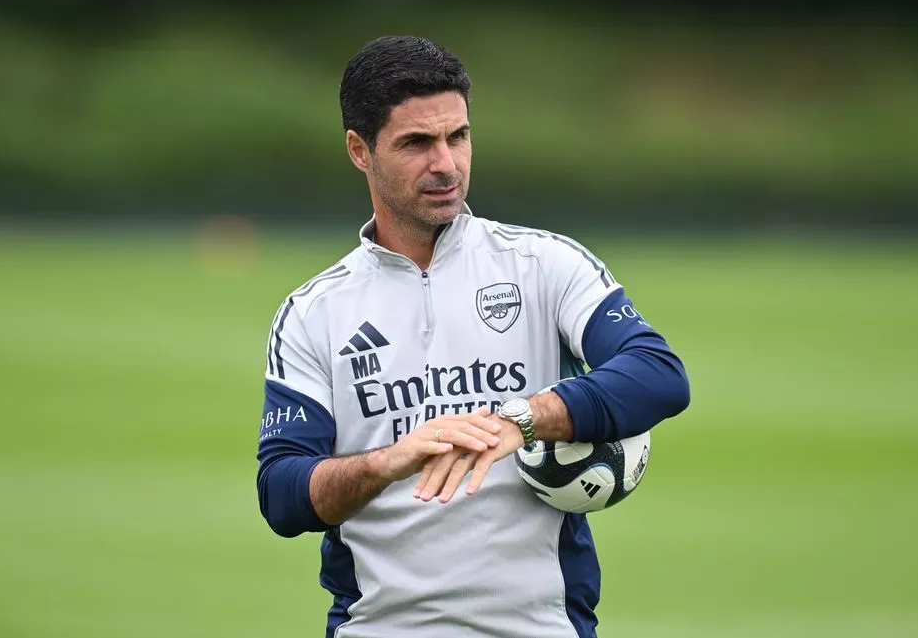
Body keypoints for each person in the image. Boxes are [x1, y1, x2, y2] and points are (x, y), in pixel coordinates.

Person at [256, 35, 691, 638]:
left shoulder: (543, 265)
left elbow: (657, 374)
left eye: (457, 137)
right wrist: (390, 461)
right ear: (360, 150)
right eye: (416, 143)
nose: (446, 164)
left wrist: (524, 418)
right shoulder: (314, 312)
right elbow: (282, 494)